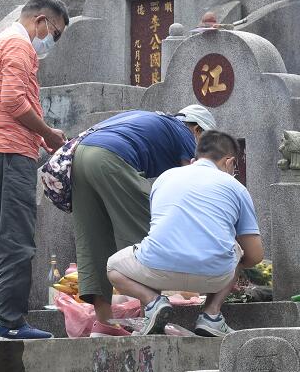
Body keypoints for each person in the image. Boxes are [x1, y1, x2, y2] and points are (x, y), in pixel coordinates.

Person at [69, 105, 218, 337]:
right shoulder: (185, 134)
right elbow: (192, 184)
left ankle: (104, 323)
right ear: (197, 129)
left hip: (80, 157)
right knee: (149, 235)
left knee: (94, 240)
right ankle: (148, 318)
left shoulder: (154, 120)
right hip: (112, 158)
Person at [0, 0, 70, 341]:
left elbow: (8, 105)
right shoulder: (19, 44)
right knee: (14, 240)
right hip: (7, 157)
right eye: (54, 33)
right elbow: (13, 101)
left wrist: (43, 139)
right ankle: (9, 321)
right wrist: (47, 132)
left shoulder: (4, 42)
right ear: (41, 21)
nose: (51, 41)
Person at [107, 130, 263, 337]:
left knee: (112, 266)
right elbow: (256, 255)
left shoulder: (165, 178)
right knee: (236, 250)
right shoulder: (235, 187)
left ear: (193, 160)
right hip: (215, 276)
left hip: (157, 272)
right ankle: (212, 314)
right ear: (229, 162)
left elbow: (162, 230)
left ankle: (153, 302)